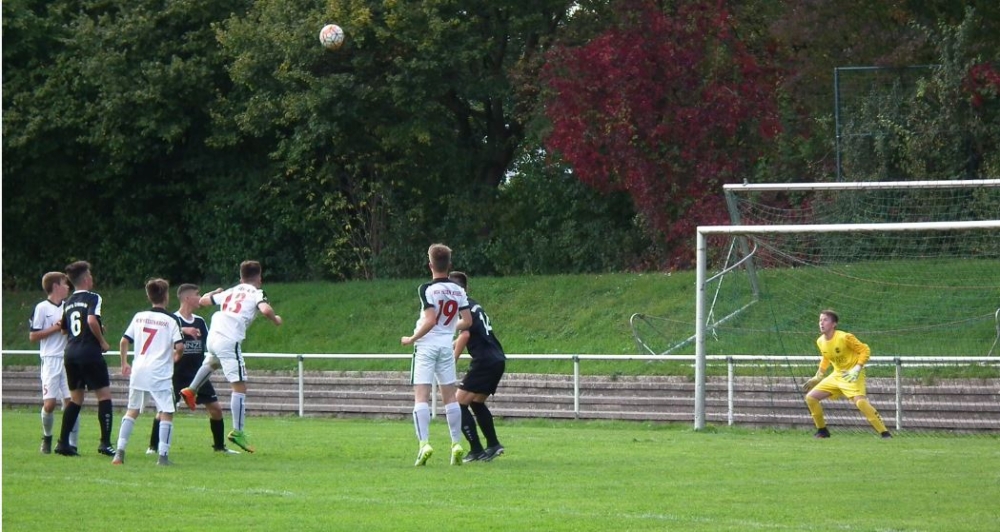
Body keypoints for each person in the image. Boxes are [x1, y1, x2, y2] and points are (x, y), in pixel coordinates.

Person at [179, 260, 282, 453]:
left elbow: (202, 302)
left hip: (213, 336)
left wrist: (214, 293)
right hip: (229, 338)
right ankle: (238, 432)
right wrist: (275, 319)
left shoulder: (230, 291)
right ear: (259, 278)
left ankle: (191, 390)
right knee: (239, 386)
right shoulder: (257, 293)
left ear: (241, 278)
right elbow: (266, 309)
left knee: (212, 362)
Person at [145, 284, 240, 455]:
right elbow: (162, 339)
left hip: (197, 375)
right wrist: (183, 331)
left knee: (216, 409)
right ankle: (153, 447)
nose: (200, 297)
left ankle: (219, 447)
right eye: (197, 294)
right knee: (165, 410)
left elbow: (210, 343)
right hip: (176, 374)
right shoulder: (172, 320)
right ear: (187, 298)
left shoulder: (200, 321)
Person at [401, 244, 473, 466]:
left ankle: (424, 444)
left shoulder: (426, 289)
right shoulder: (459, 290)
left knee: (421, 396)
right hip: (445, 346)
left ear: (430, 265)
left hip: (426, 346)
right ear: (449, 265)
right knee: (450, 397)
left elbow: (431, 320)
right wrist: (449, 327)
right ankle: (456, 444)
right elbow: (467, 321)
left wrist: (411, 338)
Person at [112, 278, 184, 466]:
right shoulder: (171, 320)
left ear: (149, 296)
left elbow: (124, 341)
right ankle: (163, 456)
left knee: (132, 410)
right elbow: (180, 346)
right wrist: (176, 356)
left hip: (139, 370)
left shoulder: (139, 317)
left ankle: (119, 453)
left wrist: (124, 363)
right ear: (166, 296)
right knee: (166, 411)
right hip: (159, 372)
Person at [54, 261, 116, 457]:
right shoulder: (93, 297)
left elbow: (64, 329)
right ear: (87, 279)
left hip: (71, 353)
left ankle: (63, 443)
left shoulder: (68, 301)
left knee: (76, 399)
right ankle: (105, 443)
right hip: (89, 352)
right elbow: (90, 320)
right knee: (104, 396)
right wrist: (102, 341)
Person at [802, 310, 892, 439]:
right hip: (837, 375)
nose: (821, 323)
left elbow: (865, 350)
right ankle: (822, 431)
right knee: (811, 398)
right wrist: (819, 375)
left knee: (861, 403)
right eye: (820, 320)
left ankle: (885, 433)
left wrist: (857, 368)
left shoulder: (844, 337)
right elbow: (826, 356)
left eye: (825, 320)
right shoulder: (820, 341)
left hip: (852, 374)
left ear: (834, 324)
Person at [449, 271, 506, 463]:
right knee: (476, 402)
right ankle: (493, 444)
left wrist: (451, 361)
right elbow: (469, 334)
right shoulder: (474, 305)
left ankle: (476, 450)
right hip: (496, 359)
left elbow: (465, 336)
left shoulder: (462, 308)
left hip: (484, 361)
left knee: (458, 404)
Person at [28, 271, 79, 454]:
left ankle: (71, 444)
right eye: (65, 284)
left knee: (72, 403)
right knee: (49, 405)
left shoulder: (70, 306)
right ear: (56, 286)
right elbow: (33, 336)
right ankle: (47, 436)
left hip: (68, 359)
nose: (68, 287)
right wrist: (56, 327)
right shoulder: (42, 308)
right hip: (50, 360)